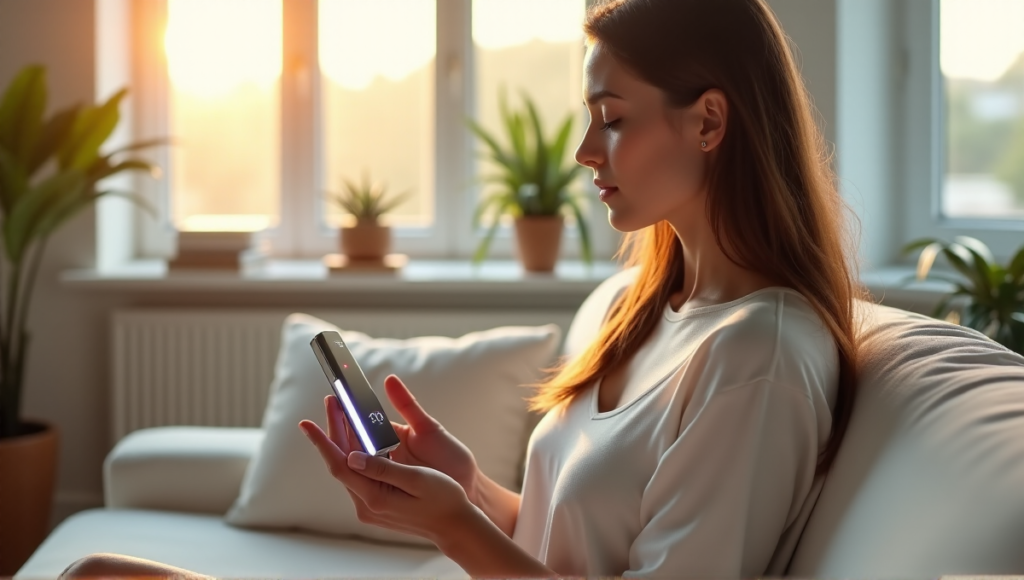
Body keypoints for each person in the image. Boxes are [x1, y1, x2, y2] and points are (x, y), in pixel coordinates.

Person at [61, 0, 863, 577]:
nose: (586, 151)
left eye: (612, 118)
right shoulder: (650, 308)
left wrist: (452, 530)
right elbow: (567, 540)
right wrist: (468, 487)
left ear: (710, 123)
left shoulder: (759, 357)